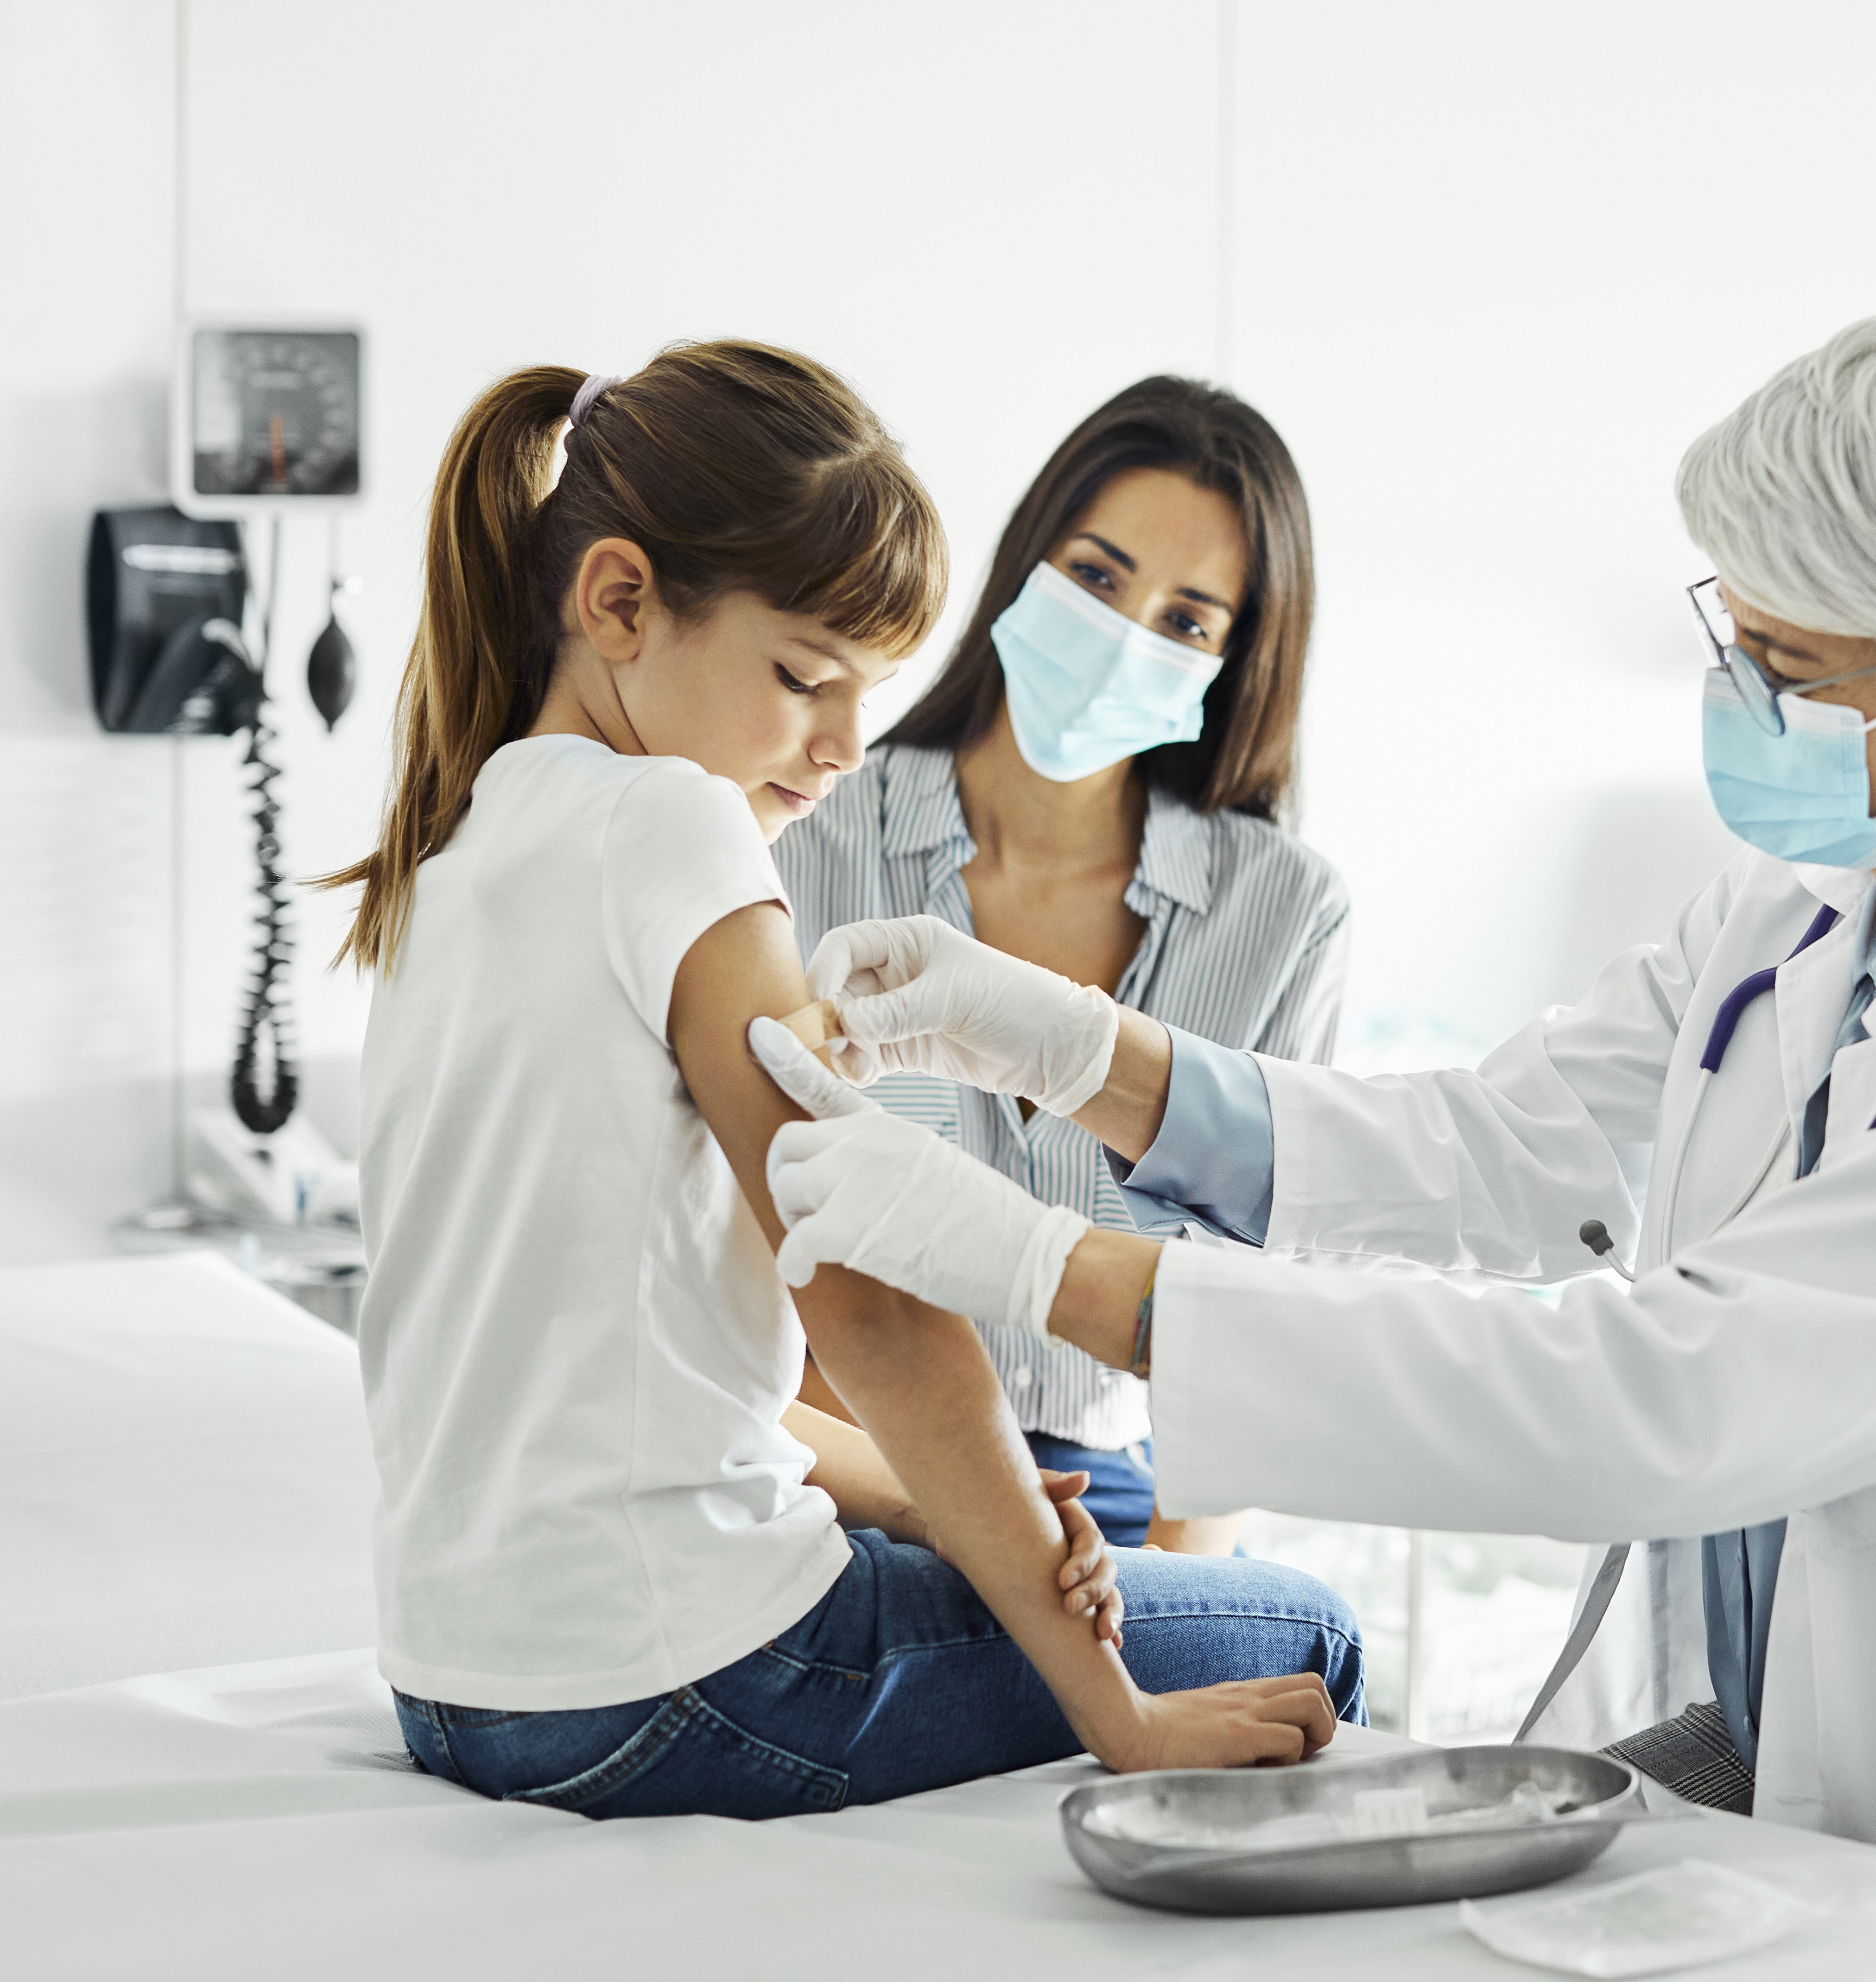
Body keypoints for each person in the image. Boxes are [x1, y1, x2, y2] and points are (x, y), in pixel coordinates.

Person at [741, 316, 1876, 1975]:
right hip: (1815, 1748)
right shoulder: (1799, 922)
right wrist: (1071, 1049)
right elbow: (1491, 1147)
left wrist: (1040, 1267)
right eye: (1738, 636)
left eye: (1788, 668)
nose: (1735, 693)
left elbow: (1663, 1398)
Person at [329, 340, 1361, 1819]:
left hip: (463, 1687)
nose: (838, 747)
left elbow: (615, 1362)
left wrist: (919, 1504)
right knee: (1308, 1631)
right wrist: (1117, 1712)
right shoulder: (680, 825)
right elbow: (864, 1282)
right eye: (808, 679)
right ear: (618, 601)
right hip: (681, 1669)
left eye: (867, 692)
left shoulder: (457, 850)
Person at [774, 376, 1336, 1554]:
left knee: (1308, 1661)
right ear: (1029, 564)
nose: (1126, 636)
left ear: (1233, 661)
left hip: (1114, 1498)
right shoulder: (809, 826)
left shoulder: (1285, 913)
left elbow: (1254, 1317)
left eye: (1187, 619)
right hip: (835, 1467)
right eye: (1097, 575)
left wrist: (1179, 1606)